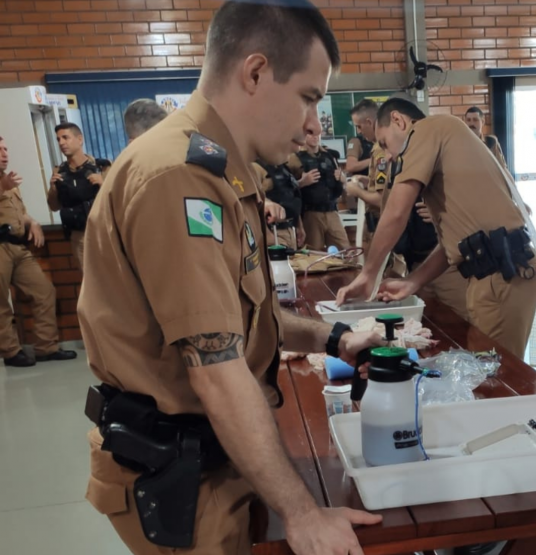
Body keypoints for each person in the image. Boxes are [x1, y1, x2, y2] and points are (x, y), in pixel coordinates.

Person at [76, 3, 384, 554]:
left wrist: (333, 337)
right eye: (309, 98)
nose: (315, 125)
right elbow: (216, 370)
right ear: (256, 72)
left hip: (216, 459)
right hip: (184, 476)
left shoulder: (220, 174)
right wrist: (303, 513)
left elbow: (242, 315)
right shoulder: (179, 179)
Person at [336, 98, 536, 359]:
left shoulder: (426, 130)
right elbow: (452, 245)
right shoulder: (443, 150)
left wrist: (368, 274)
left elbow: (396, 212)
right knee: (484, 371)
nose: (388, 156)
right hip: (492, 274)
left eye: (385, 143)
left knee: (491, 377)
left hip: (501, 274)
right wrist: (413, 281)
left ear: (399, 121)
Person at [0, 137, 77, 367]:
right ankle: (10, 352)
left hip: (17, 246)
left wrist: (32, 222)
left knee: (44, 291)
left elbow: (19, 213)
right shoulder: (5, 183)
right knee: (1, 303)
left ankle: (46, 348)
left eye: (5, 148)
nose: (4, 153)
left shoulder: (9, 181)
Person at [47, 122, 110, 271]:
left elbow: (119, 199)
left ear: (79, 139)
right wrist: (53, 188)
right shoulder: (59, 171)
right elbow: (54, 206)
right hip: (79, 235)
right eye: (58, 139)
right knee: (90, 282)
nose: (61, 143)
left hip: (103, 232)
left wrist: (104, 183)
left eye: (65, 137)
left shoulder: (102, 167)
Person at [288, 132, 349, 251]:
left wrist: (343, 179)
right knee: (313, 253)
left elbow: (341, 180)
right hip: (310, 213)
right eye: (310, 133)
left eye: (317, 133)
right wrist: (302, 182)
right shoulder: (294, 158)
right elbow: (286, 188)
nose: (315, 136)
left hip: (332, 210)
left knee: (345, 251)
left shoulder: (329, 155)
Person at [254, 160, 304, 250]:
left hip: (290, 229)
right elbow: (254, 204)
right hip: (273, 232)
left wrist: (300, 226)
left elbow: (291, 198)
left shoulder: (284, 168)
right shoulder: (256, 167)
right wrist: (268, 235)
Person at [464, 106, 508, 170]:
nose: (471, 123)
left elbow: (502, 168)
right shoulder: (460, 142)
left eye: (475, 120)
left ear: (483, 122)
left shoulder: (491, 142)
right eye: (468, 120)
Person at [345, 99, 377, 177]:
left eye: (359, 126)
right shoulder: (357, 142)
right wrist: (375, 160)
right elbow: (350, 166)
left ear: (369, 122)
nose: (358, 131)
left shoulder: (389, 142)